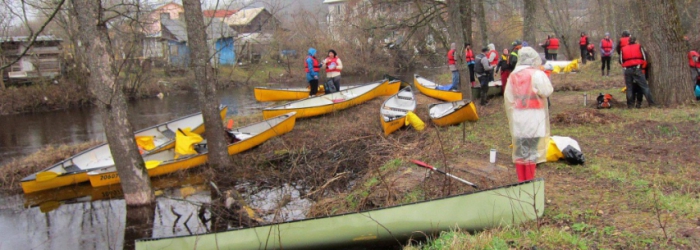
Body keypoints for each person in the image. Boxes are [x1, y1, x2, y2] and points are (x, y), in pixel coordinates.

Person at [504, 46, 553, 182]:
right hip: (534, 116)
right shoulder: (536, 74)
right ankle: (529, 181)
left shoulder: (513, 75)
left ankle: (521, 181)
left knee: (520, 150)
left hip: (519, 115)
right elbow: (547, 91)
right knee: (532, 150)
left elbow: (509, 96)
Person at [620, 36, 656, 108]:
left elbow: (621, 60)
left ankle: (630, 105)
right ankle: (652, 104)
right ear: (635, 41)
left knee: (629, 88)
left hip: (627, 70)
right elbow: (644, 58)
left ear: (628, 41)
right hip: (637, 68)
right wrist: (643, 68)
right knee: (644, 87)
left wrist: (625, 67)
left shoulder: (623, 49)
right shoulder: (639, 47)